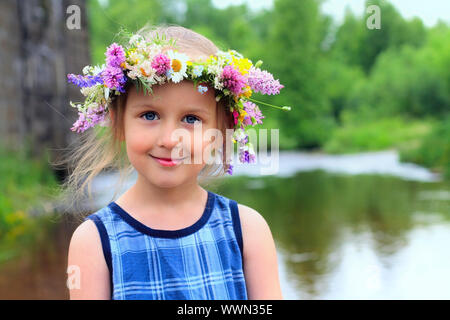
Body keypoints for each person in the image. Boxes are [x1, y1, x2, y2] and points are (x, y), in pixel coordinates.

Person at [63, 24, 288, 300]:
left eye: (191, 119)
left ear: (221, 131)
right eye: (149, 115)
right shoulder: (95, 242)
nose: (170, 139)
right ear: (118, 122)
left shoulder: (248, 231)